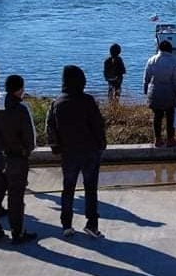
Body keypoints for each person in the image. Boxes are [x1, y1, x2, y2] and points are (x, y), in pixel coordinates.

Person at [46, 65, 107, 238]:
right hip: (90, 151)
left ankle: (66, 224)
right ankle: (92, 225)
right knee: (90, 189)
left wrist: (55, 147)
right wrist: (102, 143)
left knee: (68, 188)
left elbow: (51, 127)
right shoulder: (87, 100)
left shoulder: (57, 102)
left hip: (68, 152)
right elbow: (98, 125)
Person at [0, 75, 37, 244]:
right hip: (17, 160)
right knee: (15, 197)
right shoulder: (21, 109)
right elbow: (31, 139)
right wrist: (25, 151)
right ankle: (17, 232)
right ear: (19, 89)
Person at [143, 40, 176, 148]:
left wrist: (145, 91)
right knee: (170, 117)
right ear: (170, 49)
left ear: (159, 49)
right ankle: (170, 140)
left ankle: (157, 140)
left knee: (157, 117)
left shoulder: (151, 60)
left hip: (155, 93)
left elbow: (146, 77)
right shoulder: (173, 61)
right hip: (169, 93)